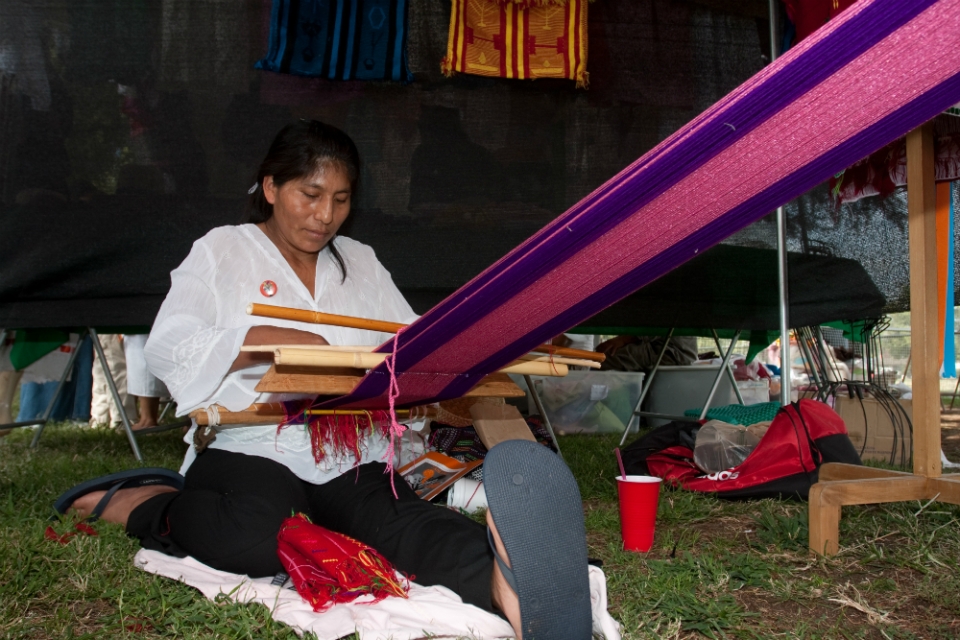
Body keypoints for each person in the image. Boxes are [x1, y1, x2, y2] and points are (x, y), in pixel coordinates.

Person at [57, 121, 592, 639]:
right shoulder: (223, 250)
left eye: (340, 199)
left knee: (400, 523)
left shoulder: (358, 260)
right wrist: (253, 341)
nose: (325, 215)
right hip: (251, 440)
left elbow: (407, 343)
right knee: (253, 538)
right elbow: (168, 344)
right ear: (270, 187)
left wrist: (476, 351)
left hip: (344, 446)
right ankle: (151, 502)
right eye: (310, 194)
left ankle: (508, 586)